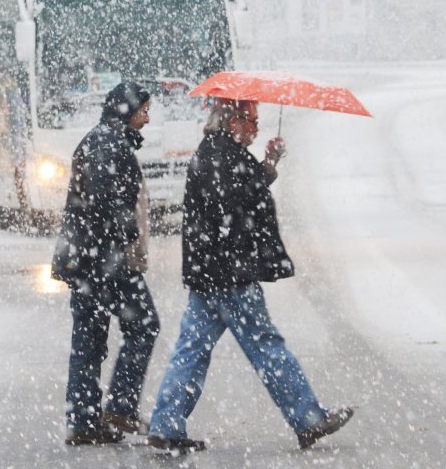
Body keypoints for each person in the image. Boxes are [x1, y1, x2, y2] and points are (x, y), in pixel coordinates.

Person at [147, 99, 353, 453]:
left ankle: (166, 424)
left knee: (192, 350)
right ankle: (307, 418)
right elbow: (231, 201)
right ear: (230, 119)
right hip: (228, 274)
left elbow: (238, 192)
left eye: (257, 120)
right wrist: (264, 173)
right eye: (250, 119)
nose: (256, 127)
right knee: (265, 346)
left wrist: (268, 164)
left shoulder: (221, 152)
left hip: (211, 272)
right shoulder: (219, 154)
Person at [51, 81, 160, 445]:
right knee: (144, 324)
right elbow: (103, 197)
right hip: (104, 259)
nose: (148, 116)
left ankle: (83, 422)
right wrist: (128, 230)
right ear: (127, 110)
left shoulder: (105, 138)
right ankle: (121, 408)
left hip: (88, 259)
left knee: (89, 337)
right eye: (143, 109)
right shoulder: (108, 142)